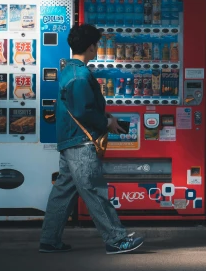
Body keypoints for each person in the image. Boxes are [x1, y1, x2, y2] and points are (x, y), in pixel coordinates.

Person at [39, 24, 144, 255]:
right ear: (91, 46)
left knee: (63, 192)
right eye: (97, 44)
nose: (98, 48)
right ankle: (116, 239)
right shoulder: (80, 74)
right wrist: (106, 123)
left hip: (70, 140)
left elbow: (78, 106)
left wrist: (105, 116)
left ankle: (49, 240)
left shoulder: (70, 70)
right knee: (95, 190)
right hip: (81, 142)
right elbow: (82, 111)